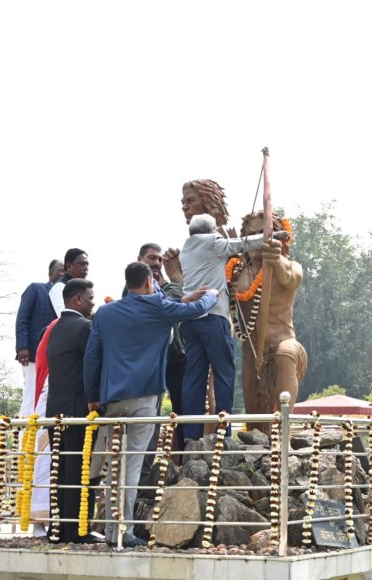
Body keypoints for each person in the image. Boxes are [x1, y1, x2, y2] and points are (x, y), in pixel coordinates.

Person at [84, 261, 218, 547]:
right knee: (131, 466)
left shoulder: (106, 313)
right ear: (148, 282)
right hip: (145, 398)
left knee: (113, 466)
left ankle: (110, 531)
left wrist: (92, 396)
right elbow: (195, 311)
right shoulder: (157, 307)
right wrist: (211, 294)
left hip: (110, 399)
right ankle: (125, 532)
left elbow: (92, 357)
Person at [178, 213, 270, 441]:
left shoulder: (186, 249)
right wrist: (275, 234)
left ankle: (191, 436)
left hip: (190, 321)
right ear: (211, 230)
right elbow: (246, 244)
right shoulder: (213, 243)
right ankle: (223, 433)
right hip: (213, 318)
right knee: (224, 374)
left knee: (194, 378)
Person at [228, 211, 307, 433]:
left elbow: (291, 278)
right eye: (250, 234)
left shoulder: (289, 266)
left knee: (285, 353)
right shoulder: (236, 272)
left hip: (285, 346)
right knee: (256, 422)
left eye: (262, 233)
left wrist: (275, 258)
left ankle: (284, 427)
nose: (256, 239)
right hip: (252, 352)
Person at [45, 278, 100, 544]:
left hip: (55, 410)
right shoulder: (84, 327)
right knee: (80, 471)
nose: (93, 303)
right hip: (78, 411)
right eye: (90, 298)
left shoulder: (55, 328)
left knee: (60, 470)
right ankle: (78, 530)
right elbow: (93, 367)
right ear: (77, 300)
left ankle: (57, 528)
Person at [123, 243, 189, 463]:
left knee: (182, 411)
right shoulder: (132, 290)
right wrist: (178, 281)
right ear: (139, 259)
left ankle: (183, 462)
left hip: (175, 358)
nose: (157, 263)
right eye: (152, 258)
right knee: (149, 413)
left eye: (160, 259)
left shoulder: (166, 286)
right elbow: (168, 307)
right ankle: (145, 470)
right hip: (149, 361)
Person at [15, 259, 63, 418]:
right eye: (60, 270)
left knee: (47, 403)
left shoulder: (68, 298)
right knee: (31, 398)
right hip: (34, 355)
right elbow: (22, 319)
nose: (63, 274)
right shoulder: (36, 289)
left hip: (56, 359)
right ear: (50, 273)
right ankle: (25, 440)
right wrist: (22, 347)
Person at [49, 248, 89, 316]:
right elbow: (63, 316)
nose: (86, 268)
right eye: (81, 264)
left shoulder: (84, 289)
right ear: (69, 265)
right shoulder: (59, 287)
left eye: (87, 264)